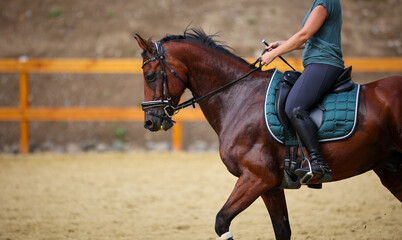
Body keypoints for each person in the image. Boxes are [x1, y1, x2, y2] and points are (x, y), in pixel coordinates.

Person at [261, 0, 345, 182]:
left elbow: (304, 35)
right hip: (316, 62)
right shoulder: (318, 3)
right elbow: (311, 40)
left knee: (295, 106)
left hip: (324, 63)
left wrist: (273, 54)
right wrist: (280, 45)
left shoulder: (324, 2)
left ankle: (317, 162)